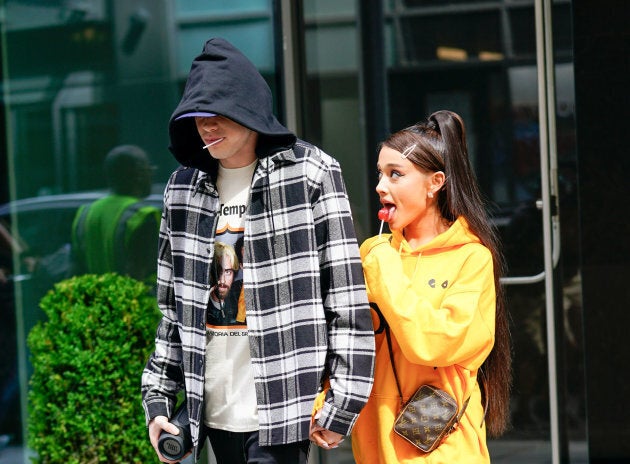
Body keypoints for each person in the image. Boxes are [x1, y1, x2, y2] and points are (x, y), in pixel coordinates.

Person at [141, 37, 375, 464]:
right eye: (197, 117)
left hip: (281, 403)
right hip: (208, 405)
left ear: (248, 109)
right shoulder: (182, 189)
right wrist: (158, 400)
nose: (207, 126)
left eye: (218, 114)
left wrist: (343, 402)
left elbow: (346, 298)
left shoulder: (310, 172)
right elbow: (171, 309)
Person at [351, 110, 512, 463]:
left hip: (440, 445)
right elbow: (348, 338)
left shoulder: (471, 258)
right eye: (380, 173)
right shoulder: (376, 252)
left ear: (435, 182)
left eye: (395, 174)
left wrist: (386, 270)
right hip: (374, 439)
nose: (380, 186)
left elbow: (433, 345)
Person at [71, 144, 160, 282]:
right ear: (139, 175)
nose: (152, 176)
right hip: (139, 302)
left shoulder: (85, 213)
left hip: (96, 300)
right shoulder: (143, 216)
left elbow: (77, 268)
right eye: (150, 170)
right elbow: (138, 275)